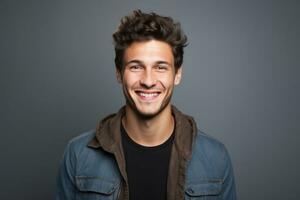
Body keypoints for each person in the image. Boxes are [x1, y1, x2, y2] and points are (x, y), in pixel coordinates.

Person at [55, 10, 237, 200]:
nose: (148, 81)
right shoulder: (78, 154)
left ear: (177, 74)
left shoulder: (216, 158)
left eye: (160, 67)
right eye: (136, 66)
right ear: (118, 73)